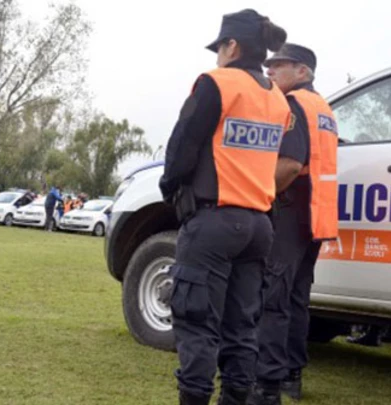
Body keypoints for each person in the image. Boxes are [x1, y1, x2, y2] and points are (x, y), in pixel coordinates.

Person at [159, 9, 290, 405]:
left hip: (214, 221)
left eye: (219, 48)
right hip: (259, 225)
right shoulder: (276, 97)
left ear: (232, 46)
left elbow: (182, 148)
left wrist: (172, 190)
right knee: (242, 329)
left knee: (197, 324)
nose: (217, 55)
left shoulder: (217, 83)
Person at [248, 44, 339, 405]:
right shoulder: (323, 108)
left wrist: (257, 192)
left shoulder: (293, 105)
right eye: (268, 65)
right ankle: (291, 375)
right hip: (315, 211)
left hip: (290, 205)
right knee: (297, 297)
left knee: (273, 296)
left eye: (279, 65)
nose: (270, 71)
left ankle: (266, 381)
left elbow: (289, 163)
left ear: (303, 71)